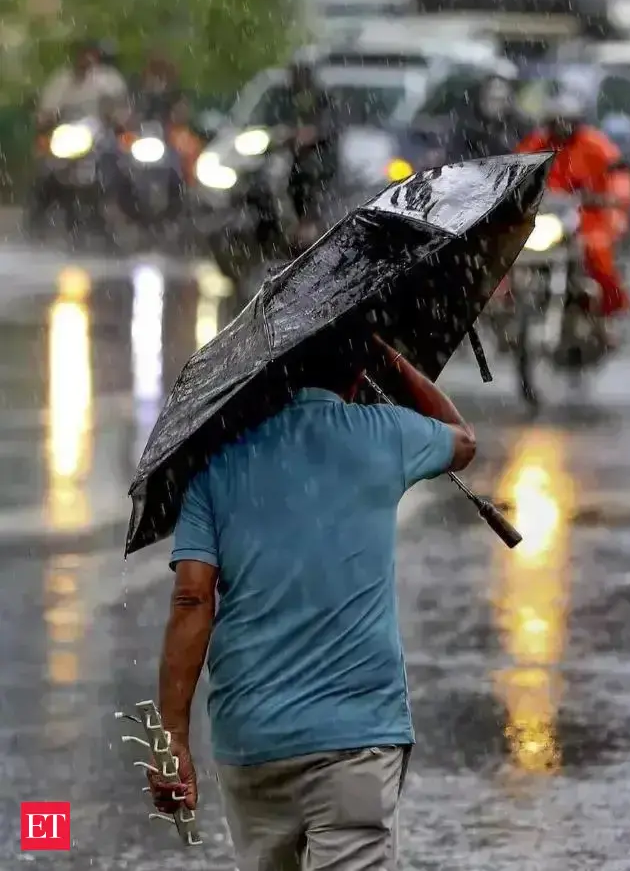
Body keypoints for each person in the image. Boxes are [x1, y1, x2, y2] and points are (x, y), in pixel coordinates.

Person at [146, 335, 476, 871]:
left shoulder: (217, 461)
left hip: (252, 738)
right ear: (355, 371)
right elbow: (463, 440)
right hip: (357, 736)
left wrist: (173, 738)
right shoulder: (384, 434)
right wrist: (390, 360)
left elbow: (191, 599)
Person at [515, 92, 630, 343]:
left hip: (589, 215)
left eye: (567, 121)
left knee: (597, 251)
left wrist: (613, 196)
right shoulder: (536, 144)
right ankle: (504, 309)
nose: (562, 127)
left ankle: (607, 313)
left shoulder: (595, 144)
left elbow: (618, 174)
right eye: (556, 121)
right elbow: (514, 171)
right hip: (547, 217)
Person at [282, 59, 340, 244]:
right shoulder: (292, 98)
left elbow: (330, 125)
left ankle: (313, 229)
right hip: (300, 159)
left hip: (320, 159)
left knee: (316, 194)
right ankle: (304, 227)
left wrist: (313, 133)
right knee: (296, 189)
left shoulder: (322, 97)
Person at [37, 39, 128, 127]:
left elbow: (119, 108)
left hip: (101, 132)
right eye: (83, 53)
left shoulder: (109, 78)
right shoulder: (61, 79)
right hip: (66, 131)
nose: (87, 58)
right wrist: (48, 118)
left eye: (91, 54)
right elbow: (48, 109)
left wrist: (113, 114)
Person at [446, 73, 528, 162]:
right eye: (494, 100)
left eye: (504, 100)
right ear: (482, 100)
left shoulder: (518, 130)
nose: (500, 105)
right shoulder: (467, 133)